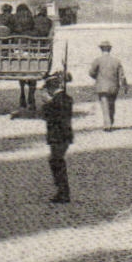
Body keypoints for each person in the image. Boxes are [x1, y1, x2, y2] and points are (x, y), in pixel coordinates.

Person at [41, 72, 74, 203]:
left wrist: (47, 103)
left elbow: (49, 116)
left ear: (51, 88)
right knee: (56, 161)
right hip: (65, 135)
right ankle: (62, 191)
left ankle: (63, 192)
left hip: (57, 136)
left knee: (56, 162)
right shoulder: (66, 98)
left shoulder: (55, 101)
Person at [89, 40, 126, 130]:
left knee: (104, 105)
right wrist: (124, 85)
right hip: (114, 86)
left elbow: (91, 72)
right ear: (110, 49)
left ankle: (107, 124)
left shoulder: (97, 60)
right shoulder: (116, 61)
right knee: (111, 104)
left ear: (101, 49)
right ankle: (110, 121)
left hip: (102, 86)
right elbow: (121, 75)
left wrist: (97, 78)